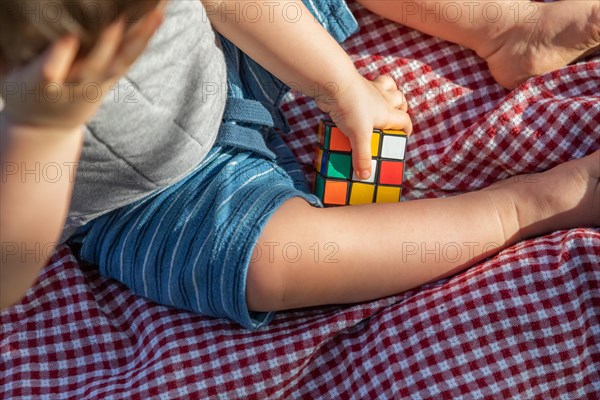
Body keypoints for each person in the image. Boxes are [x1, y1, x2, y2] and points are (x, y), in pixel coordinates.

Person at [1, 0, 598, 329]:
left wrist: (340, 87)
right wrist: (40, 132)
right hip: (146, 197)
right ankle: (527, 206)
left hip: (235, 41)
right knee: (274, 263)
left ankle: (510, 30)